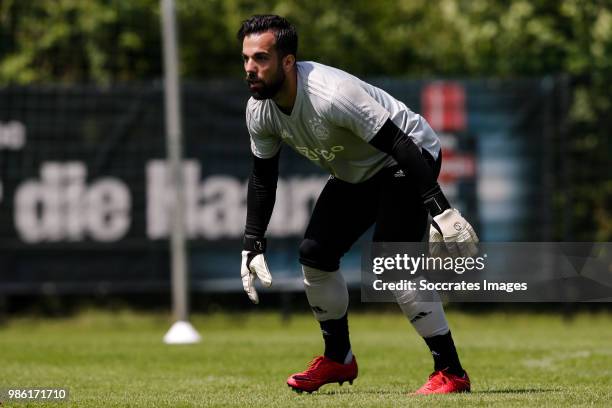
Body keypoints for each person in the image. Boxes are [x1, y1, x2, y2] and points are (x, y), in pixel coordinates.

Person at [237, 14, 478, 395]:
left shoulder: (331, 94)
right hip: (358, 171)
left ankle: (451, 372)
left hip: (407, 156)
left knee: (393, 265)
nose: (250, 68)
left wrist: (441, 209)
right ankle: (339, 358)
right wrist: (253, 240)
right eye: (247, 58)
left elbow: (401, 144)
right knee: (315, 255)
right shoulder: (260, 110)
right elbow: (263, 177)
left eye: (261, 58)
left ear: (287, 61)